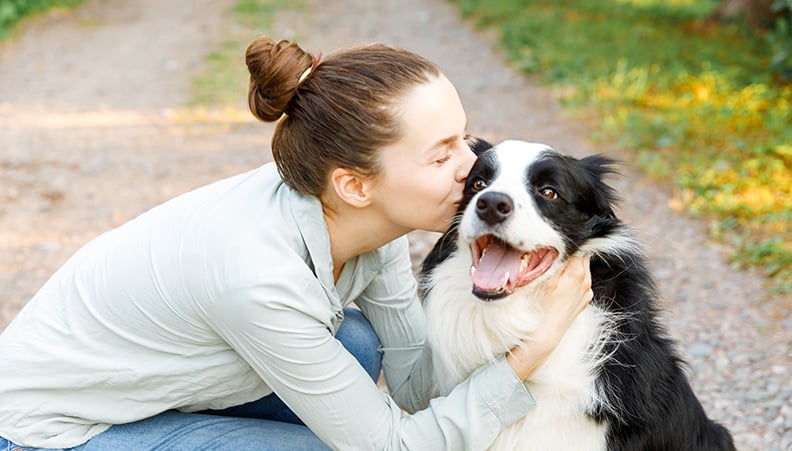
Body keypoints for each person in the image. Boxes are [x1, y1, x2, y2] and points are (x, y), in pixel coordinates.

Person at [0, 37, 593, 450]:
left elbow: (413, 381)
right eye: (442, 154)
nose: (472, 168)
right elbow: (393, 445)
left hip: (141, 385)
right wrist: (533, 349)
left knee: (357, 346)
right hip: (44, 433)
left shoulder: (364, 212)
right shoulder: (257, 278)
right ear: (355, 185)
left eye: (464, 140)